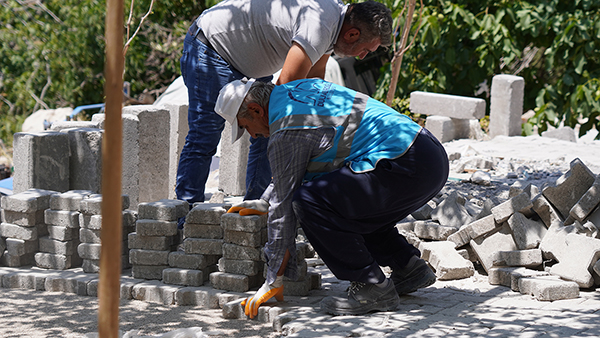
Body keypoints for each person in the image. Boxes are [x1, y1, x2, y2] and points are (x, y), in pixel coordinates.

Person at [216, 77, 449, 317]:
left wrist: (273, 279)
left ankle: (372, 286)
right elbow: (296, 168)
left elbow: (284, 210)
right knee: (343, 197)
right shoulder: (299, 90)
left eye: (244, 127)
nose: (252, 136)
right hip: (427, 152)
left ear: (255, 110)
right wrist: (266, 201)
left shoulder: (286, 130)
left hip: (405, 164)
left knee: (308, 201)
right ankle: (408, 267)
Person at [175, 0, 393, 225]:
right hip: (213, 48)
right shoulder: (319, 25)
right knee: (206, 133)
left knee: (267, 131)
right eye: (365, 49)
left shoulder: (334, 26)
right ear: (352, 34)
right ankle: (186, 216)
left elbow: (312, 82)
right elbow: (286, 90)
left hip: (252, 61)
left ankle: (254, 212)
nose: (362, 57)